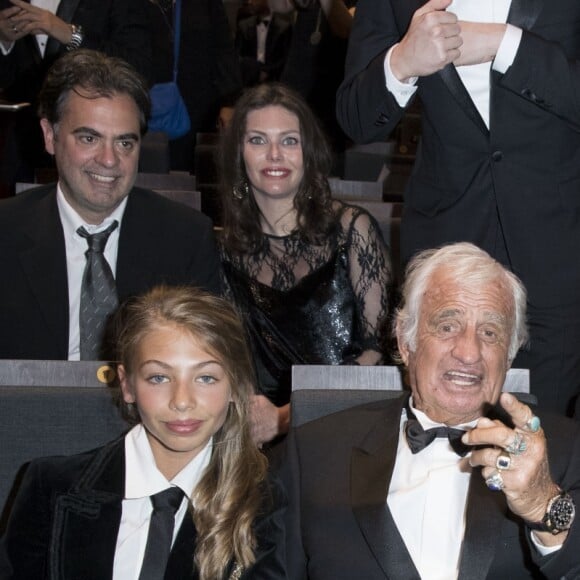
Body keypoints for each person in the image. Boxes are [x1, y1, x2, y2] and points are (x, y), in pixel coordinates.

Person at [335, 0, 580, 416]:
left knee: (547, 437)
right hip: (444, 243)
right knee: (443, 433)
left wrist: (504, 44)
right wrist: (403, 61)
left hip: (558, 249)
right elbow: (356, 117)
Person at [280, 242, 580, 579]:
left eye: (490, 332)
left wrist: (544, 506)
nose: (469, 352)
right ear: (405, 342)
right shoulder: (317, 452)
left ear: (508, 358)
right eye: (447, 326)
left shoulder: (565, 452)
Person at [0, 286, 286, 579]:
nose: (182, 400)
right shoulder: (51, 488)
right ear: (127, 384)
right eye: (159, 377)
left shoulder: (268, 504)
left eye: (206, 377)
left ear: (234, 386)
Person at [0, 49, 221, 361]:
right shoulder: (5, 234)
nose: (108, 160)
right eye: (89, 139)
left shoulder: (187, 238)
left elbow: (208, 362)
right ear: (50, 136)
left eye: (124, 143)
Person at [218, 82, 392, 445]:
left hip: (343, 428)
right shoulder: (222, 249)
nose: (275, 154)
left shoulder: (351, 230)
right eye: (258, 140)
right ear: (239, 155)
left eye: (289, 141)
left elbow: (380, 355)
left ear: (308, 154)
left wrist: (287, 417)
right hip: (253, 439)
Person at [0, 0, 152, 187]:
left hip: (98, 147)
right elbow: (9, 79)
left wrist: (70, 34)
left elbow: (138, 66)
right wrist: (4, 41)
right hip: (21, 147)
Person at [147, 0, 243, 172]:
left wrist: (230, 102)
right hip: (142, 103)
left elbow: (224, 48)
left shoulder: (204, 5)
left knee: (189, 173)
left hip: (197, 107)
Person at [235, 0, 293, 87]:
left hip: (276, 83)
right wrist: (256, 72)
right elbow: (238, 56)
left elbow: (286, 59)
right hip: (249, 83)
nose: (250, 2)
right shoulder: (243, 26)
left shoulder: (285, 27)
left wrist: (267, 73)